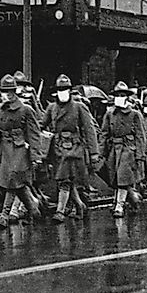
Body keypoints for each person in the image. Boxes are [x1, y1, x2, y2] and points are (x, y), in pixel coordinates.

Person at [42, 74, 99, 221]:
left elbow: (89, 130)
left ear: (70, 91)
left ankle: (60, 211)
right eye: (60, 89)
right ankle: (79, 205)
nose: (63, 92)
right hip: (58, 148)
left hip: (74, 148)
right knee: (65, 180)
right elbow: (41, 125)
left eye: (66, 89)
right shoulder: (51, 108)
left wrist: (94, 153)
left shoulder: (79, 107)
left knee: (65, 180)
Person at [0, 74, 43, 228]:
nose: (7, 95)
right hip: (4, 150)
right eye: (4, 91)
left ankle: (4, 215)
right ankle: (34, 210)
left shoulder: (26, 110)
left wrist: (35, 156)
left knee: (12, 180)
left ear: (15, 92)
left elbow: (34, 134)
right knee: (17, 185)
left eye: (10, 91)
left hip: (20, 150)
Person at [100, 81, 145, 217]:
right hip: (114, 149)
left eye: (122, 95)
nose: (119, 97)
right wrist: (101, 152)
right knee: (116, 178)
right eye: (117, 95)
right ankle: (133, 198)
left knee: (123, 176)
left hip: (128, 149)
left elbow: (140, 135)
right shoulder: (110, 114)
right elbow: (104, 133)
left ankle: (119, 206)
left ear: (127, 97)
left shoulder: (135, 114)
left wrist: (140, 155)